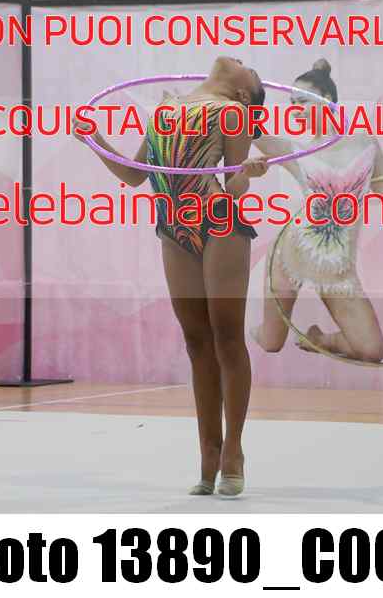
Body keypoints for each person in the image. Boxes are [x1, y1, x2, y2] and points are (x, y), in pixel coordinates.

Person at [73, 56, 267, 495]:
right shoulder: (166, 109)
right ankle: (208, 453)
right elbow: (135, 175)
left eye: (250, 70)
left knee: (226, 336)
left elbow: (233, 185)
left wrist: (248, 174)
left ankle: (233, 448)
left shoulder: (232, 112)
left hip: (219, 223)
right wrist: (94, 140)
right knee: (196, 341)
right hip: (173, 228)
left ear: (242, 93)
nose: (242, 61)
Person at [250, 58, 383, 363]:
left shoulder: (365, 145)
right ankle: (245, 330)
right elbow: (252, 131)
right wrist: (232, 97)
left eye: (303, 101)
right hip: (292, 254)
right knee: (271, 342)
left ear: (327, 99)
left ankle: (321, 339)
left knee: (372, 350)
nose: (296, 109)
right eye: (292, 104)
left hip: (336, 264)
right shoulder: (296, 150)